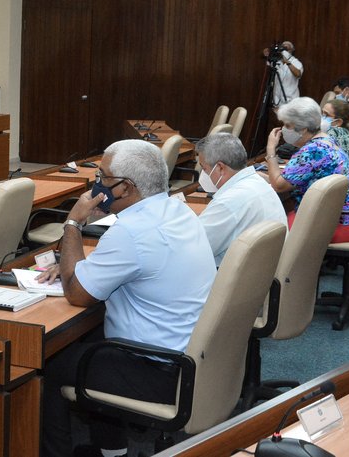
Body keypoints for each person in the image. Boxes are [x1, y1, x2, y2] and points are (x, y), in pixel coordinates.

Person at [37, 139, 216, 457]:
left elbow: (78, 294)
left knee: (45, 364)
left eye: (102, 177)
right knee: (90, 339)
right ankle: (112, 451)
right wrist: (75, 265)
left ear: (124, 188)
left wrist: (74, 222)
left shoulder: (132, 233)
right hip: (189, 358)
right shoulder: (177, 209)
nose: (95, 184)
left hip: (155, 369)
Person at [263, 97, 349, 243]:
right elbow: (292, 178)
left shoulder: (312, 151)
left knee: (270, 233)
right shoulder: (325, 140)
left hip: (337, 225)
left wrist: (270, 150)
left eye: (287, 125)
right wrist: (264, 176)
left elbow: (279, 185)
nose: (284, 130)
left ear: (303, 129)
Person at [195, 133, 287, 266]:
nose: (204, 174)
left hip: (229, 278)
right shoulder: (259, 182)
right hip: (263, 272)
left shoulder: (228, 203)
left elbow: (194, 250)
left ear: (220, 168)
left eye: (204, 168)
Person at [262, 40, 303, 107]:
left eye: (286, 48)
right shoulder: (276, 62)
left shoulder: (296, 62)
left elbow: (298, 74)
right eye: (283, 48)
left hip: (290, 100)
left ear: (292, 50)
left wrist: (287, 62)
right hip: (277, 100)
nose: (284, 51)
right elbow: (265, 58)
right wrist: (266, 52)